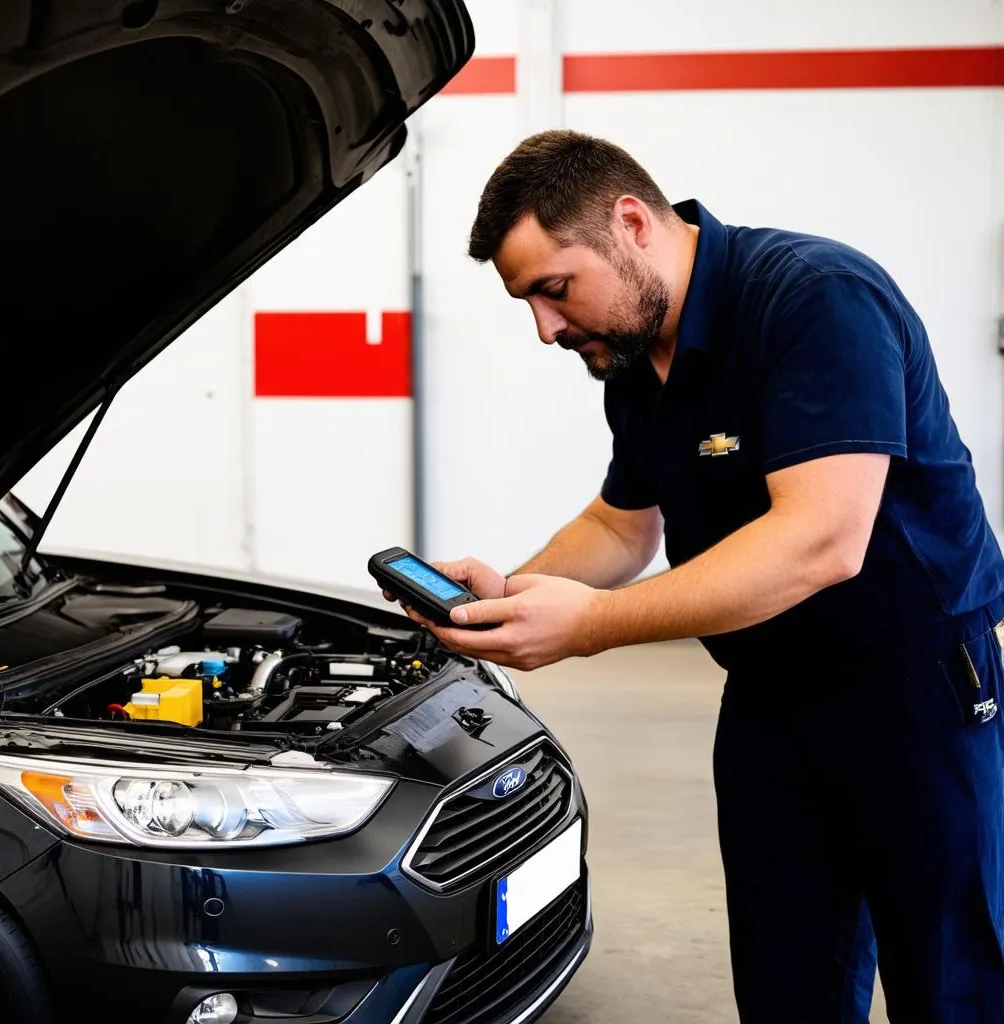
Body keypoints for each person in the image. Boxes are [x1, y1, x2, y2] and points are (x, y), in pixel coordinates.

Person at [385, 129, 1004, 1022]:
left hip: (913, 686)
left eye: (554, 291)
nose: (546, 329)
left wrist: (590, 625)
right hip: (768, 692)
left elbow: (823, 541)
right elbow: (620, 524)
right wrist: (513, 594)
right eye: (527, 304)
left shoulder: (814, 299)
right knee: (788, 971)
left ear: (630, 222)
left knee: (946, 978)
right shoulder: (633, 362)